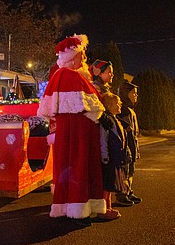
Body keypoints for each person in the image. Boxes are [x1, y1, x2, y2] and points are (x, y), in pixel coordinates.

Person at [37, 34, 106, 226]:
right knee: (77, 167)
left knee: (76, 168)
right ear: (72, 57)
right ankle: (76, 211)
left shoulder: (72, 75)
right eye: (82, 55)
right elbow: (88, 107)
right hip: (76, 136)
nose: (84, 59)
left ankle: (75, 208)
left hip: (78, 134)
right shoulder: (67, 75)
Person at [97, 92, 128, 220]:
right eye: (117, 103)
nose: (120, 104)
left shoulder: (114, 119)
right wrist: (104, 156)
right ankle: (103, 210)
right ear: (109, 106)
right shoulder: (107, 121)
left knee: (110, 185)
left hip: (114, 158)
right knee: (107, 184)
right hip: (109, 158)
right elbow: (103, 140)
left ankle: (107, 207)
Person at [115, 80, 142, 206]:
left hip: (132, 144)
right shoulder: (123, 110)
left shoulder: (130, 110)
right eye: (134, 93)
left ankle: (129, 191)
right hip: (126, 146)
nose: (136, 96)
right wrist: (129, 148)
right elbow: (125, 132)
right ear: (126, 94)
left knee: (131, 170)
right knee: (125, 171)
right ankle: (122, 194)